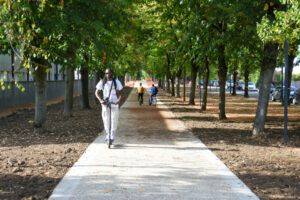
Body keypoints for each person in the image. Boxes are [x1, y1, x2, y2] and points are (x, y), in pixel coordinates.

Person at [95, 68, 123, 144]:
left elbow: (120, 92)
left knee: (114, 119)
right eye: (106, 73)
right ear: (105, 74)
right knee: (106, 119)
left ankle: (112, 135)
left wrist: (118, 100)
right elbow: (97, 92)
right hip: (105, 103)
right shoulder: (102, 82)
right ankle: (107, 134)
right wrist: (101, 100)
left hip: (114, 103)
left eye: (109, 73)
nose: (108, 74)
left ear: (112, 73)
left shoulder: (116, 81)